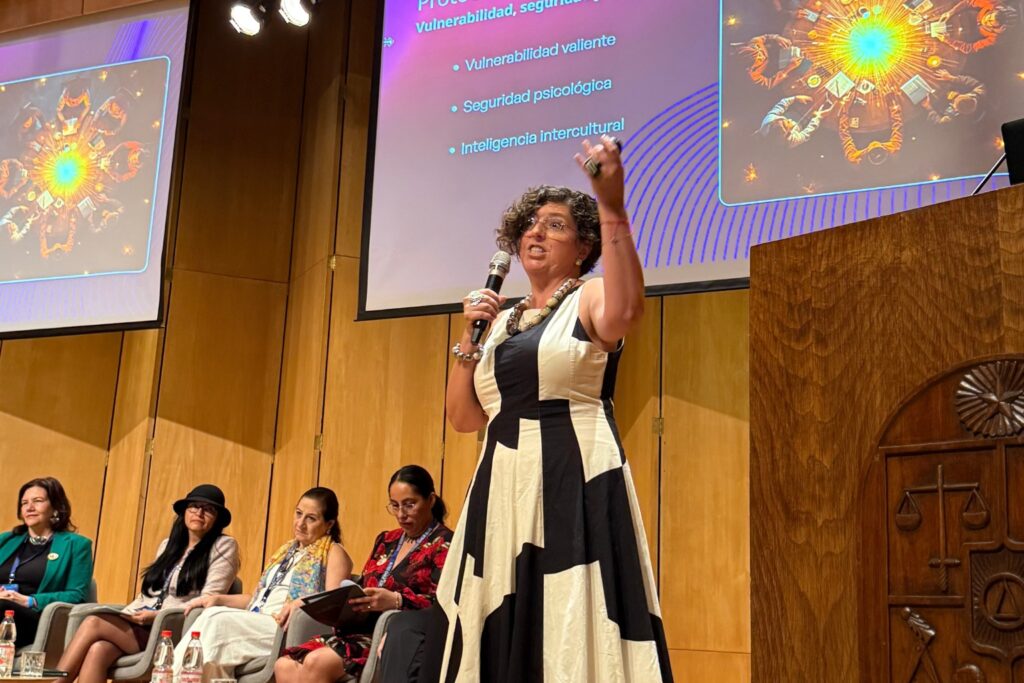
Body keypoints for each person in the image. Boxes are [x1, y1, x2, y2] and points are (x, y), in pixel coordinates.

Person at [437, 135, 672, 680]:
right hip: (502, 485)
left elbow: (629, 311)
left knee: (569, 613)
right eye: (530, 225)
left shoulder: (587, 296)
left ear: (584, 246)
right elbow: (465, 418)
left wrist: (611, 204)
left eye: (556, 225)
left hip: (572, 477)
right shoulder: (499, 319)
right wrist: (468, 341)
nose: (536, 233)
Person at [274, 465, 453, 683]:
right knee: (283, 665)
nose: (401, 514)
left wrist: (396, 601)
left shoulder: (444, 543)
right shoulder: (387, 540)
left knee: (315, 662)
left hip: (392, 634)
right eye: (394, 506)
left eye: (409, 505)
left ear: (430, 500)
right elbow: (365, 583)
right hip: (355, 629)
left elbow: (443, 605)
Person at [58, 484, 239, 683]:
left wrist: (155, 616)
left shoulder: (223, 546)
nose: (199, 512)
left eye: (209, 509)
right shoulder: (168, 545)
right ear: (184, 512)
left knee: (93, 622)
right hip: (144, 624)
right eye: (194, 506)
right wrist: (128, 614)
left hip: (176, 628)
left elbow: (206, 601)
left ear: (217, 519)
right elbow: (149, 595)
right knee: (97, 650)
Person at [177, 487, 351, 680]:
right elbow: (255, 600)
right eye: (299, 514)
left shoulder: (334, 552)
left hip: (284, 629)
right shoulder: (285, 552)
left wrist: (299, 602)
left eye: (311, 518)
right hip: (257, 621)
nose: (300, 524)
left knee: (216, 620)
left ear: (329, 524)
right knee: (211, 615)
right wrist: (216, 598)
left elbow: (334, 603)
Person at [0, 477, 93, 649]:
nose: (29, 508)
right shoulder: (6, 540)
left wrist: (29, 600)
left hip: (37, 617)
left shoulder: (76, 545)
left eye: (38, 501)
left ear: (56, 508)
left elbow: (77, 595)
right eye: (24, 503)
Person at [839, 94, 904, 165]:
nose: (874, 143)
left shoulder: (854, 159)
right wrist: (893, 106)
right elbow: (898, 126)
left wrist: (845, 110)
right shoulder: (894, 150)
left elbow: (844, 134)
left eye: (873, 149)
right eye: (878, 147)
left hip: (858, 136)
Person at [937, 0, 1018, 53]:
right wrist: (951, 12)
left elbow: (970, 48)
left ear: (997, 28)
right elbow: (969, 2)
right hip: (960, 16)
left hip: (962, 36)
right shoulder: (992, 3)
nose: (986, 20)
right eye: (989, 16)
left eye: (991, 23)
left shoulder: (995, 38)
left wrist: (947, 40)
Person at [758, 95, 834, 146]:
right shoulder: (790, 141)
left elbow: (781, 104)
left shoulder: (769, 120)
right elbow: (806, 133)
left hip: (797, 107)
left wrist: (796, 98)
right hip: (806, 121)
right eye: (788, 123)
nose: (790, 120)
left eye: (786, 120)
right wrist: (818, 117)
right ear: (788, 132)